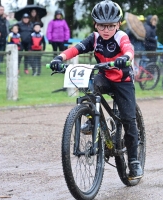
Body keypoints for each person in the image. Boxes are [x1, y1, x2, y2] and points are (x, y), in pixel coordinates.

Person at [49, 0, 143, 180]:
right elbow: (76, 49)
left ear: (118, 24)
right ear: (95, 24)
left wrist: (126, 57)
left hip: (123, 80)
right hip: (105, 77)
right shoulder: (94, 38)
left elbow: (129, 50)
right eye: (101, 25)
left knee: (129, 120)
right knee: (91, 84)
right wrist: (59, 58)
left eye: (110, 26)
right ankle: (92, 119)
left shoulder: (121, 36)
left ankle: (133, 161)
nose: (105, 30)